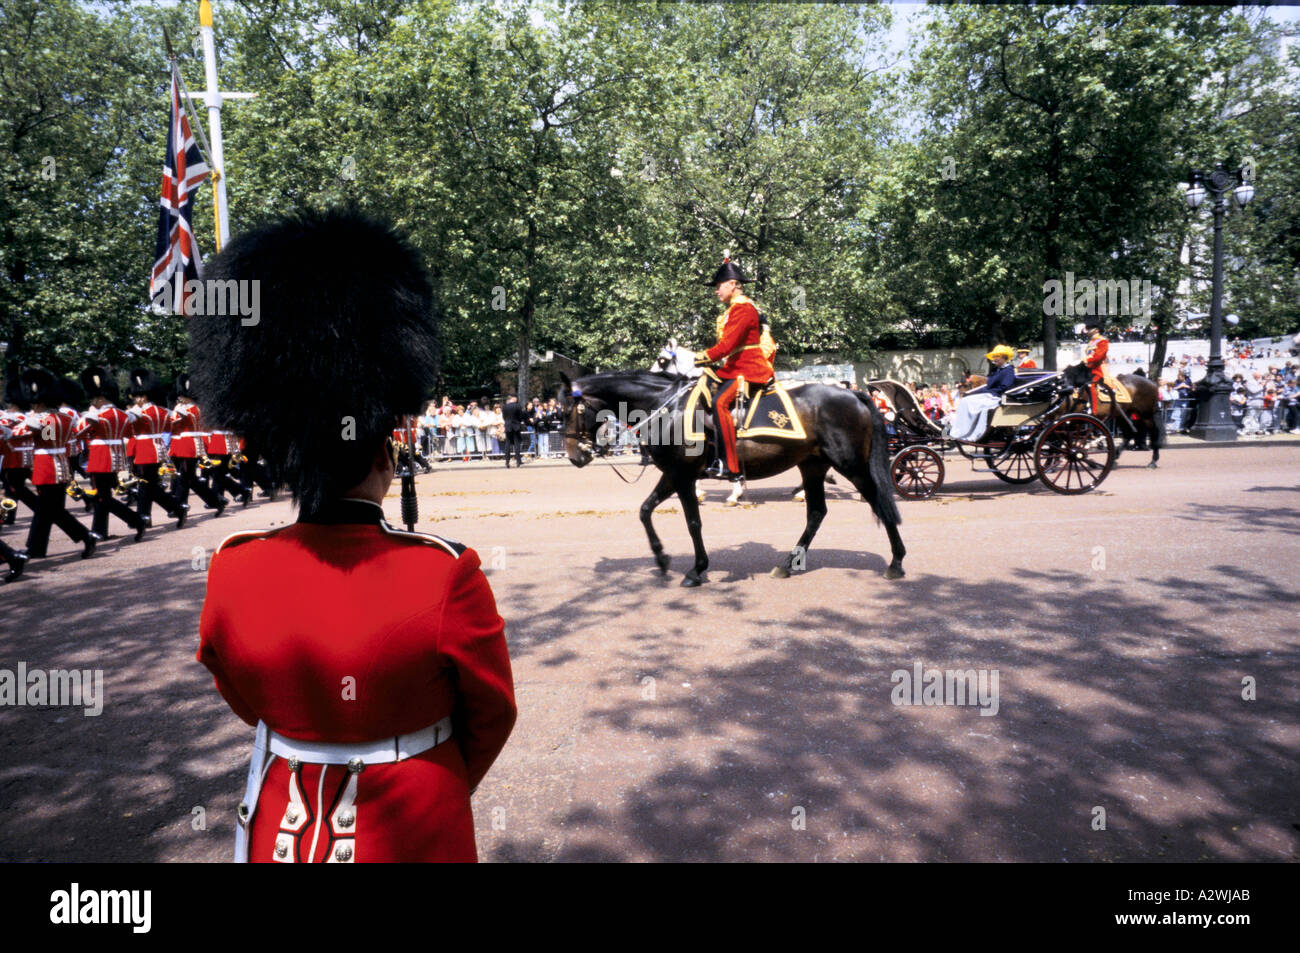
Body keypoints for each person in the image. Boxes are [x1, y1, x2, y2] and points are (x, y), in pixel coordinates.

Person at [192, 207, 516, 863]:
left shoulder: (233, 567)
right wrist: (437, 775)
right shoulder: (445, 572)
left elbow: (247, 698)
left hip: (281, 818)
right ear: (383, 456)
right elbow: (492, 713)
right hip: (414, 821)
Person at [694, 255, 775, 482]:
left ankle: (731, 466)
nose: (716, 291)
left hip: (748, 369)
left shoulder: (743, 309)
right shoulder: (733, 309)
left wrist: (702, 356)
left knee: (720, 403)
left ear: (731, 284)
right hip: (734, 367)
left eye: (718, 286)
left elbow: (728, 345)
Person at [16, 369, 100, 559]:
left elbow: (47, 439)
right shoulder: (65, 418)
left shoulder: (48, 420)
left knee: (49, 510)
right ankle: (37, 548)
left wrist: (24, 426)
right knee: (48, 510)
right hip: (60, 465)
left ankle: (85, 536)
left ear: (41, 401)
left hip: (47, 466)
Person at [75, 366, 149, 541]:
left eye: (94, 398)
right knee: (103, 497)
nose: (92, 401)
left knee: (102, 498)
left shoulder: (96, 415)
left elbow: (77, 433)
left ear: (100, 398)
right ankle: (100, 531)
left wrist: (89, 416)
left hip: (100, 457)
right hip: (115, 458)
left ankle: (137, 520)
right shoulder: (122, 414)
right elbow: (129, 434)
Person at [127, 369, 188, 528]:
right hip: (158, 449)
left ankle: (149, 515)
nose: (136, 399)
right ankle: (150, 515)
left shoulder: (138, 412)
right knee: (149, 486)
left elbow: (126, 428)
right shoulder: (163, 411)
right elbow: (169, 427)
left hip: (145, 451)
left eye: (137, 396)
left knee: (146, 486)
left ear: (143, 396)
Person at [169, 373, 227, 516]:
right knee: (191, 479)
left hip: (189, 447)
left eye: (182, 394)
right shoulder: (189, 407)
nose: (180, 397)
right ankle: (216, 500)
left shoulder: (189, 409)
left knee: (184, 477)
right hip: (184, 445)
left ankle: (180, 506)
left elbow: (173, 423)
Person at [947, 346, 1017, 441]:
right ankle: (959, 431)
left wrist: (987, 392)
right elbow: (988, 384)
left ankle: (964, 432)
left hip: (997, 397)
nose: (994, 359)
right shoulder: (997, 370)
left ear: (1004, 357)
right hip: (991, 394)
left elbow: (1004, 387)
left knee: (967, 402)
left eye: (997, 356)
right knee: (965, 400)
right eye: (994, 356)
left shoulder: (1008, 370)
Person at [1082, 320, 1110, 415]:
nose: (1088, 331)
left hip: (1098, 369)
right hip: (1088, 369)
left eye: (1089, 329)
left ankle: (1094, 410)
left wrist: (1087, 360)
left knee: (1091, 384)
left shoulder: (1103, 341)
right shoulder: (1091, 342)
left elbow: (1099, 356)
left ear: (1096, 330)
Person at [502, 395, 524, 467]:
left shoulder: (505, 406)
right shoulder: (517, 406)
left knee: (507, 443)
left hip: (508, 425)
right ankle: (518, 461)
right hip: (516, 425)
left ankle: (507, 461)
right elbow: (520, 416)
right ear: (513, 399)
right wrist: (518, 421)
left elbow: (504, 417)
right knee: (516, 443)